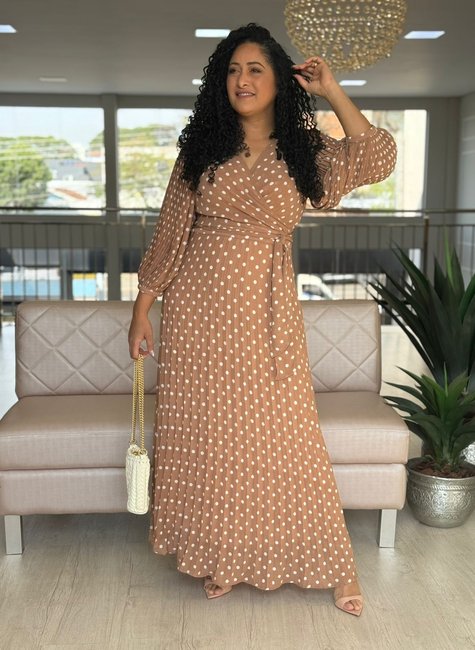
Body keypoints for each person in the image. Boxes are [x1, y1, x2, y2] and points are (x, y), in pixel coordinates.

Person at [128, 23, 396, 615]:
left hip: (264, 312)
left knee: (284, 438)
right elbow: (170, 233)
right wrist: (143, 309)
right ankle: (222, 556)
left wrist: (332, 90)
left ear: (280, 80)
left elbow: (377, 157)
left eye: (255, 69)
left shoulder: (304, 151)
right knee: (209, 442)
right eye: (232, 70)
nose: (242, 80)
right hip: (197, 314)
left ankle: (336, 566)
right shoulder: (201, 151)